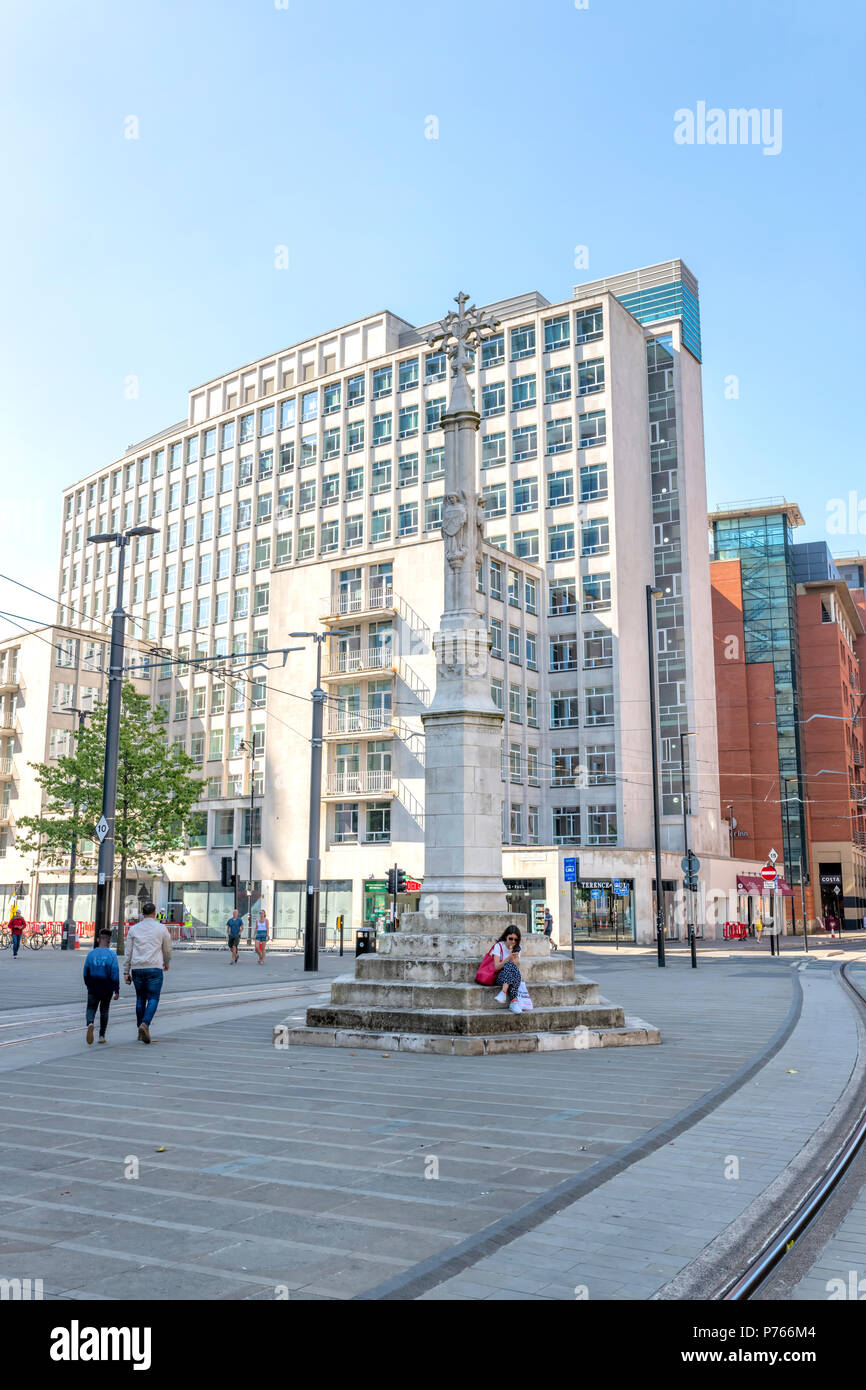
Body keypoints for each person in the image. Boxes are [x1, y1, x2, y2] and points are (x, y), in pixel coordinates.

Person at [123, 901, 171, 1044]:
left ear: (142, 914)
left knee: (140, 999)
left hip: (137, 968)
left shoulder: (134, 929)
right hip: (154, 967)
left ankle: (139, 1031)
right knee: (154, 998)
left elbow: (128, 952)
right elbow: (167, 949)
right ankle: (145, 1024)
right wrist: (167, 962)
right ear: (155, 913)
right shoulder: (161, 929)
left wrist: (126, 971)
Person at [82, 928, 119, 1044]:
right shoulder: (112, 955)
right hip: (106, 987)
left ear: (98, 939)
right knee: (104, 1011)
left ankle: (90, 1023)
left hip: (93, 986)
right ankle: (102, 1036)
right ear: (109, 941)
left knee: (91, 1008)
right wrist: (116, 990)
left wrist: (88, 985)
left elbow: (85, 972)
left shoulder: (91, 954)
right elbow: (115, 973)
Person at [491, 925, 523, 1014]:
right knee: (509, 965)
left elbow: (515, 966)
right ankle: (514, 1002)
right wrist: (509, 957)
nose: (513, 941)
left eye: (515, 939)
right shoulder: (498, 946)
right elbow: (497, 966)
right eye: (511, 938)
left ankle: (503, 993)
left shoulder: (518, 948)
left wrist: (512, 953)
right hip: (499, 976)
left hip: (512, 975)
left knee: (513, 968)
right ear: (506, 937)